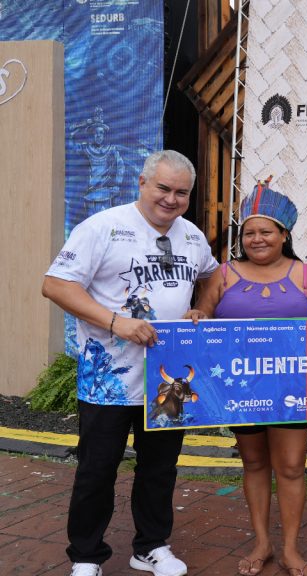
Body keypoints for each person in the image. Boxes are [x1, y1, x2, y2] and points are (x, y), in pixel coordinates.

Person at [42, 150, 218, 576]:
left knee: (159, 469)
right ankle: (86, 556)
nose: (171, 199)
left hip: (166, 383)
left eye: (182, 193)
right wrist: (115, 322)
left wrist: (203, 308)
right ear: (142, 183)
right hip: (109, 380)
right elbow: (56, 284)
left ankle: (151, 547)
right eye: (163, 188)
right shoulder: (103, 227)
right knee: (97, 469)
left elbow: (213, 275)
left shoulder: (193, 237)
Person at [192, 179, 307, 576]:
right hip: (241, 390)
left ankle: (290, 549)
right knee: (254, 464)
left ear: (284, 235)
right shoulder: (224, 274)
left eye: (266, 231)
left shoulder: (305, 275)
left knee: (290, 467)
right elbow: (202, 316)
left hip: (292, 389)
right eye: (249, 233)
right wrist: (196, 317)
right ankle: (262, 543)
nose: (256, 239)